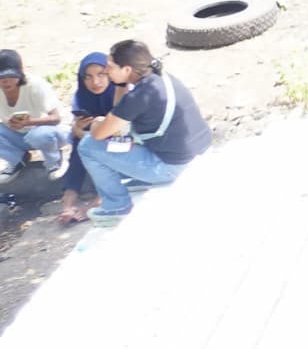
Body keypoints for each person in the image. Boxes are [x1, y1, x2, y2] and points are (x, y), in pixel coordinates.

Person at [77, 40, 213, 223]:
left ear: (126, 70)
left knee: (88, 146)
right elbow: (119, 112)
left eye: (109, 67)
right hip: (198, 150)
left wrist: (96, 124)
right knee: (120, 138)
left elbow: (100, 134)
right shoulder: (161, 77)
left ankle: (117, 206)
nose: (107, 71)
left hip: (174, 167)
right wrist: (120, 85)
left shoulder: (139, 97)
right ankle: (139, 178)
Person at [57, 52, 116, 224]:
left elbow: (121, 131)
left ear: (110, 73)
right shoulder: (81, 96)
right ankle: (68, 201)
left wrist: (85, 135)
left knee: (98, 146)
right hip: (90, 140)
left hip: (119, 142)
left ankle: (99, 200)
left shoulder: (120, 92)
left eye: (101, 74)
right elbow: (78, 127)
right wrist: (77, 129)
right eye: (88, 77)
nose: (95, 82)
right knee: (79, 145)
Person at [0, 49, 69, 184]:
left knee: (39, 135)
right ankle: (17, 159)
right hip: (18, 135)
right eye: (1, 78)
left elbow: (56, 118)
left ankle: (54, 161)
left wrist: (29, 122)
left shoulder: (35, 85)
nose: (6, 82)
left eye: (11, 77)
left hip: (50, 133)